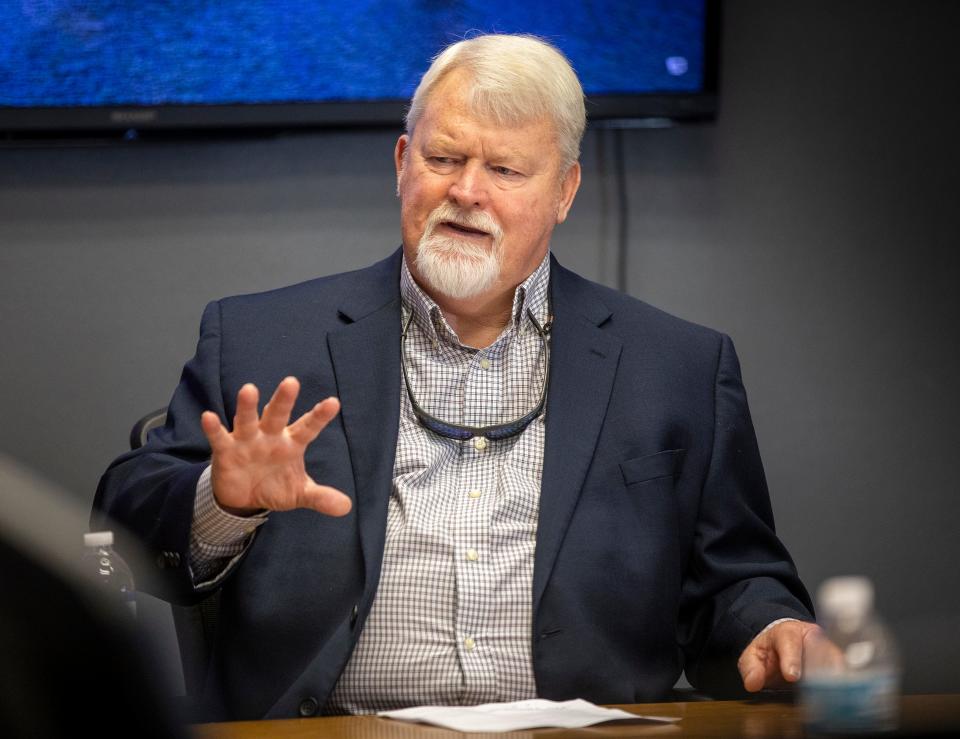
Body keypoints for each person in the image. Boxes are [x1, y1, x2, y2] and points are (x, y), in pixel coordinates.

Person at [94, 34, 816, 722]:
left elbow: (736, 578)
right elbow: (119, 519)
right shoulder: (259, 339)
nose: (467, 191)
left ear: (564, 192)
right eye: (443, 158)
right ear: (402, 163)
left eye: (504, 170)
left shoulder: (677, 365)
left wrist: (771, 627)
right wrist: (222, 504)